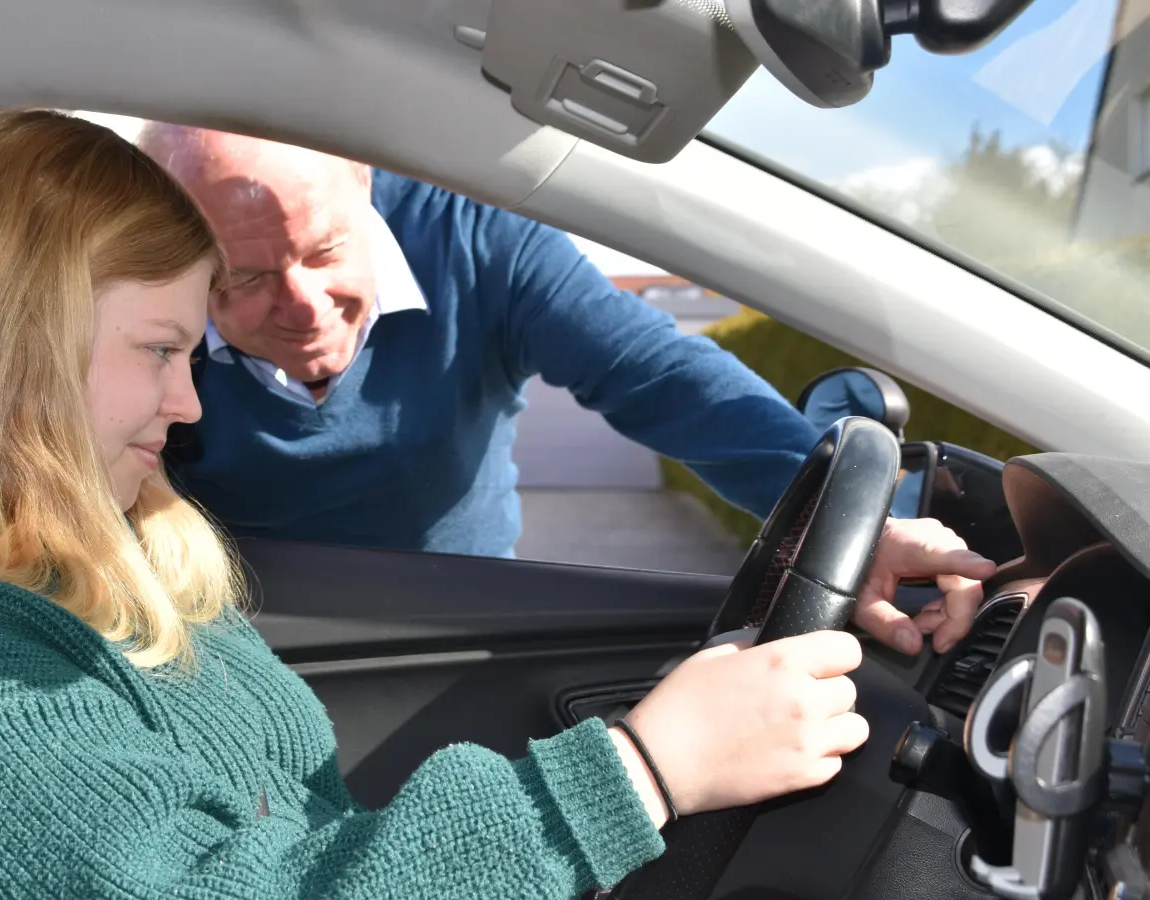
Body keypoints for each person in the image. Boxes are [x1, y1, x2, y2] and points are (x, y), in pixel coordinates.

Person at [0, 109, 881, 899]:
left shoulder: (88, 538)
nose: (190, 402)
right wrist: (639, 772)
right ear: (11, 350)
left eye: (188, 348)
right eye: (169, 345)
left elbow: (659, 378)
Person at [139, 125, 995, 657]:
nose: (303, 308)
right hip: (228, 637)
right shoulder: (128, 305)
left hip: (458, 629)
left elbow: (660, 376)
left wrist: (853, 525)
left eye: (325, 252)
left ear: (365, 183)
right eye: (243, 277)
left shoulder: (482, 240)